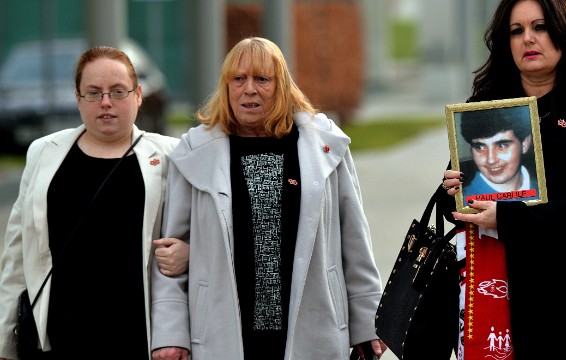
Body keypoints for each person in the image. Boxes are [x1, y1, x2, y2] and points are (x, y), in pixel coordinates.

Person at [150, 36, 386, 360]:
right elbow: (169, 258)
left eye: (262, 79)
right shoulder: (194, 155)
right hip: (223, 334)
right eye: (239, 79)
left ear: (281, 86)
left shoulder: (323, 149)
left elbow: (355, 244)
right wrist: (170, 334)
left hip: (312, 327)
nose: (249, 89)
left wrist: (368, 322)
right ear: (226, 86)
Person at [439, 0, 566, 359]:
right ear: (505, 42)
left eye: (540, 27)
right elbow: (460, 204)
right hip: (496, 289)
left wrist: (509, 218)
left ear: (564, 33)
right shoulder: (485, 109)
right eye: (517, 31)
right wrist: (452, 187)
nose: (529, 39)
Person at [0, 45, 189, 359]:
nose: (105, 103)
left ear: (138, 95)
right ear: (77, 97)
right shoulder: (44, 154)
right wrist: (5, 342)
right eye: (93, 92)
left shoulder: (172, 155)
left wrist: (189, 253)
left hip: (136, 337)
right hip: (58, 340)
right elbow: (17, 254)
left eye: (118, 91)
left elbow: (213, 226)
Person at [458, 106, 538, 205]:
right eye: (480, 147)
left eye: (501, 145)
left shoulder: (544, 190)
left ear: (524, 144)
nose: (491, 160)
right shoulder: (465, 202)